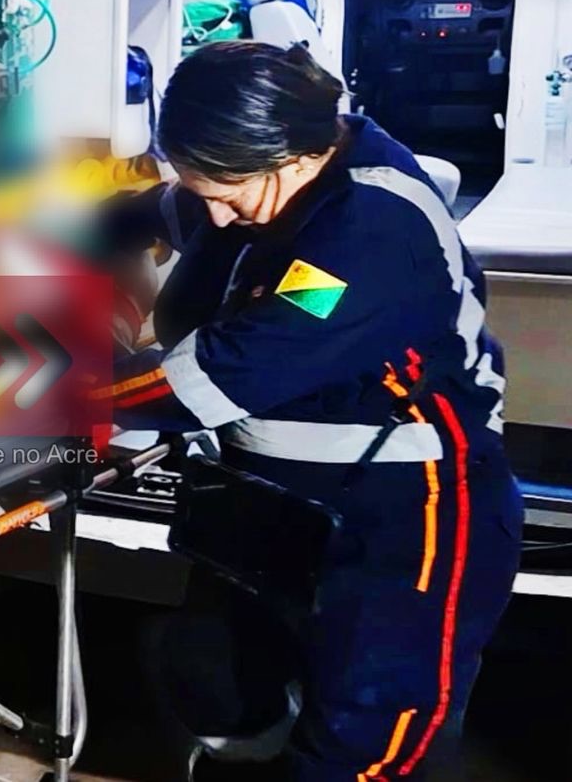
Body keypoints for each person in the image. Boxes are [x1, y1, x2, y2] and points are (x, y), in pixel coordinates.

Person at [101, 42, 522, 780]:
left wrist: (54, 394)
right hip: (270, 493)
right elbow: (133, 219)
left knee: (365, 731)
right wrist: (95, 286)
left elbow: (225, 371)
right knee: (216, 679)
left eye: (227, 194)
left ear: (294, 159)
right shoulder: (253, 181)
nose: (215, 218)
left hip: (403, 510)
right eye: (201, 190)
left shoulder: (369, 235)